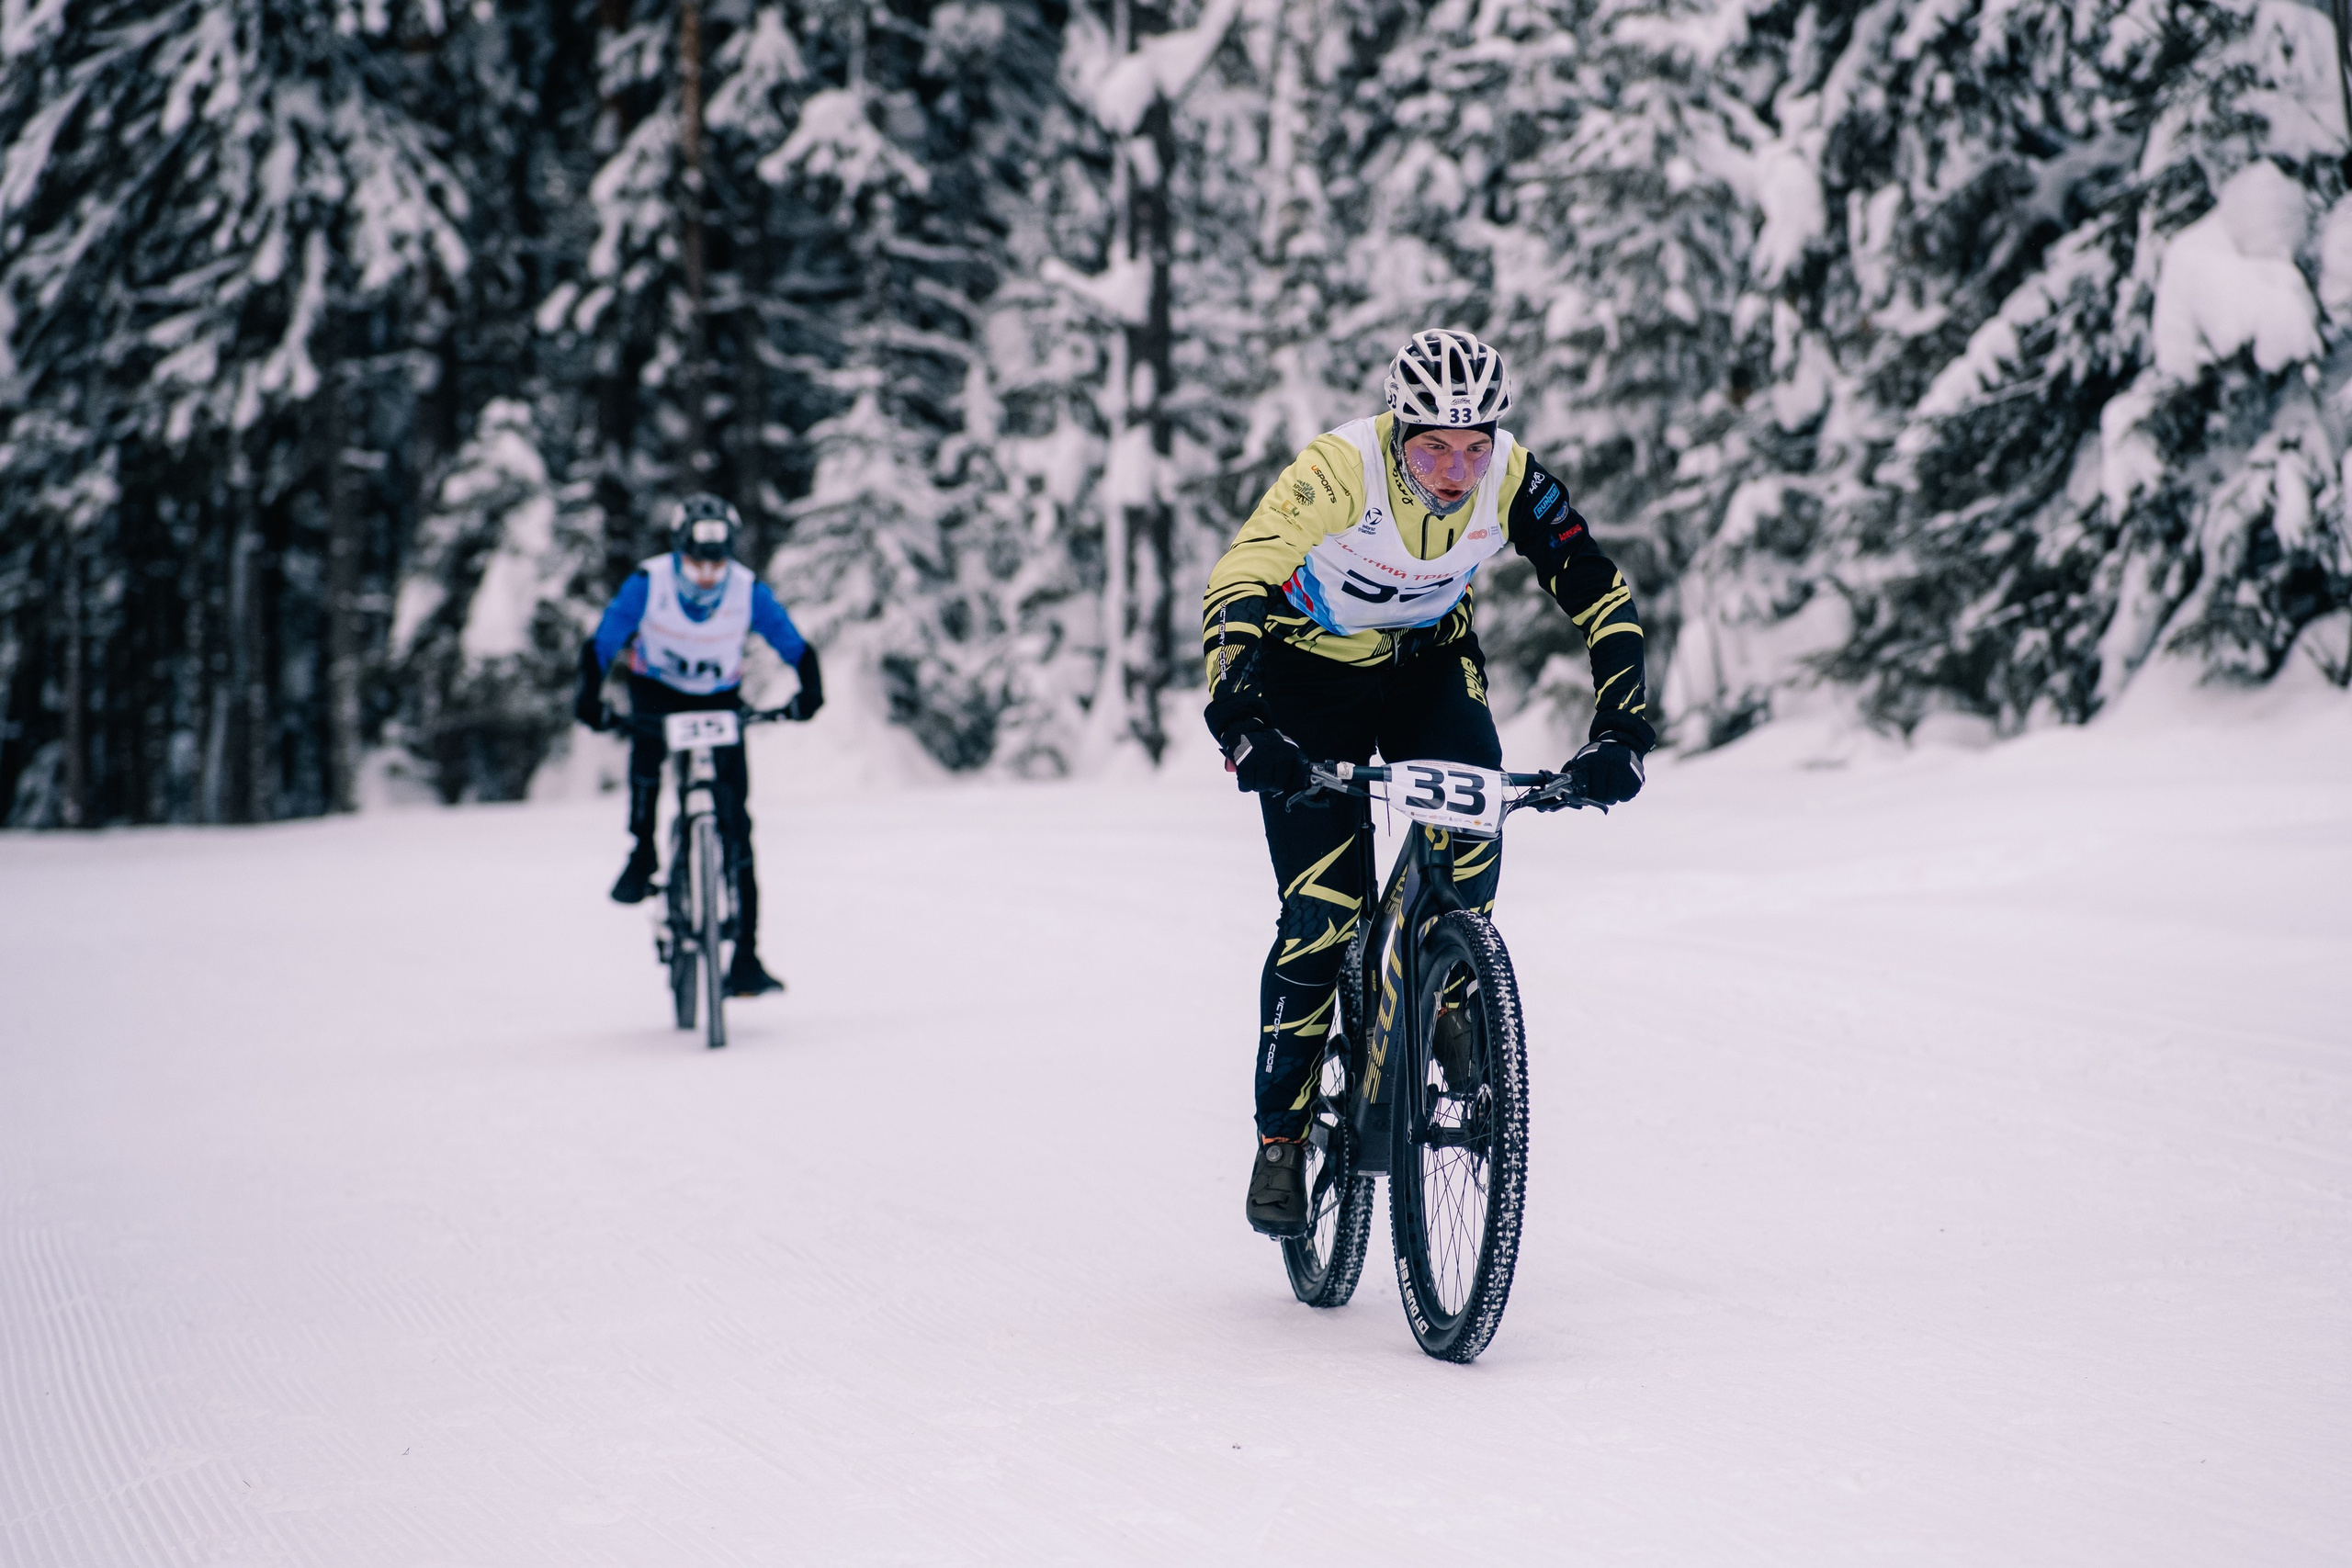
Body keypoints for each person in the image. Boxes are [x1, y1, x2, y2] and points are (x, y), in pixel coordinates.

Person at [1201, 329, 1653, 1236]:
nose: (1454, 470)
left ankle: (1447, 984)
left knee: (1472, 827)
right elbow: (1240, 573)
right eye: (1432, 447)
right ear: (1397, 430)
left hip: (1427, 665)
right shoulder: (1338, 469)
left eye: (1472, 448)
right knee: (1323, 912)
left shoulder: (1511, 478)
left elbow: (1597, 590)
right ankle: (1282, 1141)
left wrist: (1622, 730)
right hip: (1302, 675)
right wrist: (1240, 712)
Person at [573, 493, 824, 998]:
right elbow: (603, 644)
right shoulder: (649, 583)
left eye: (717, 562)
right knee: (645, 761)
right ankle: (641, 852)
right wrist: (589, 699)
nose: (708, 574)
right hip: (657, 693)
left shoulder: (747, 591)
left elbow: (793, 645)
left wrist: (809, 693)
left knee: (738, 823)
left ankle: (747, 956)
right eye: (696, 562)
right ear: (678, 552)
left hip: (718, 699)